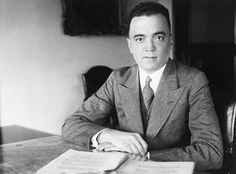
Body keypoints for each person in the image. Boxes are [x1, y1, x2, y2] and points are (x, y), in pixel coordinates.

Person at [62, 1, 223, 171]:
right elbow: (71, 125)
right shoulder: (118, 79)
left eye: (158, 37)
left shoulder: (193, 80)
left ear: (170, 41)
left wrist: (144, 157)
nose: (149, 47)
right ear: (130, 45)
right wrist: (108, 135)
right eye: (140, 39)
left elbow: (211, 152)